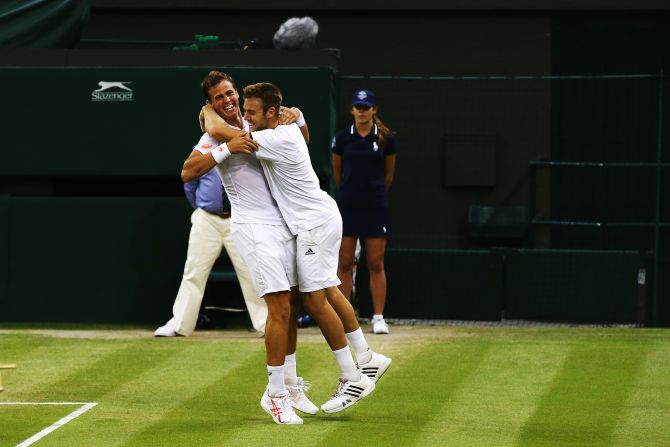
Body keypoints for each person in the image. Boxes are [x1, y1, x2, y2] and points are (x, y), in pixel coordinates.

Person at [200, 82, 391, 415]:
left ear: (272, 113)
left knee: (316, 301)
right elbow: (300, 132)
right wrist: (300, 116)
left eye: (251, 112)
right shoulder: (284, 130)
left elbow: (220, 131)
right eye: (243, 110)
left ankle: (352, 377)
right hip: (316, 221)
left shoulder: (273, 139)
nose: (245, 117)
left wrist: (206, 111)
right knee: (329, 292)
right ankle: (367, 358)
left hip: (313, 224)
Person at [181, 71, 316, 425]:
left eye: (230, 93)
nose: (227, 100)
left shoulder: (257, 118)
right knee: (279, 307)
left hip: (283, 223)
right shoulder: (212, 133)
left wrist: (297, 114)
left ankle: (290, 383)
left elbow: (302, 141)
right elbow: (188, 171)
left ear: (237, 94)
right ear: (210, 104)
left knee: (291, 304)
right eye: (219, 98)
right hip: (253, 228)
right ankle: (274, 393)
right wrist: (226, 148)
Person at [154, 169, 267, 337]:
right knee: (194, 272)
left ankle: (266, 324)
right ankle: (180, 325)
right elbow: (190, 182)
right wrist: (204, 205)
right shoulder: (204, 147)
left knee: (251, 272)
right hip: (206, 218)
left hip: (240, 219)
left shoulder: (245, 148)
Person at [331, 89, 397, 335]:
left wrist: (373, 192)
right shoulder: (342, 138)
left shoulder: (386, 139)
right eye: (358, 106)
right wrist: (350, 192)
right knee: (345, 262)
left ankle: (378, 317)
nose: (361, 110)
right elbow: (338, 172)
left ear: (374, 110)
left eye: (366, 106)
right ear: (352, 110)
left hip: (375, 206)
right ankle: (343, 318)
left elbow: (388, 175)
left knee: (376, 262)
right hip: (348, 206)